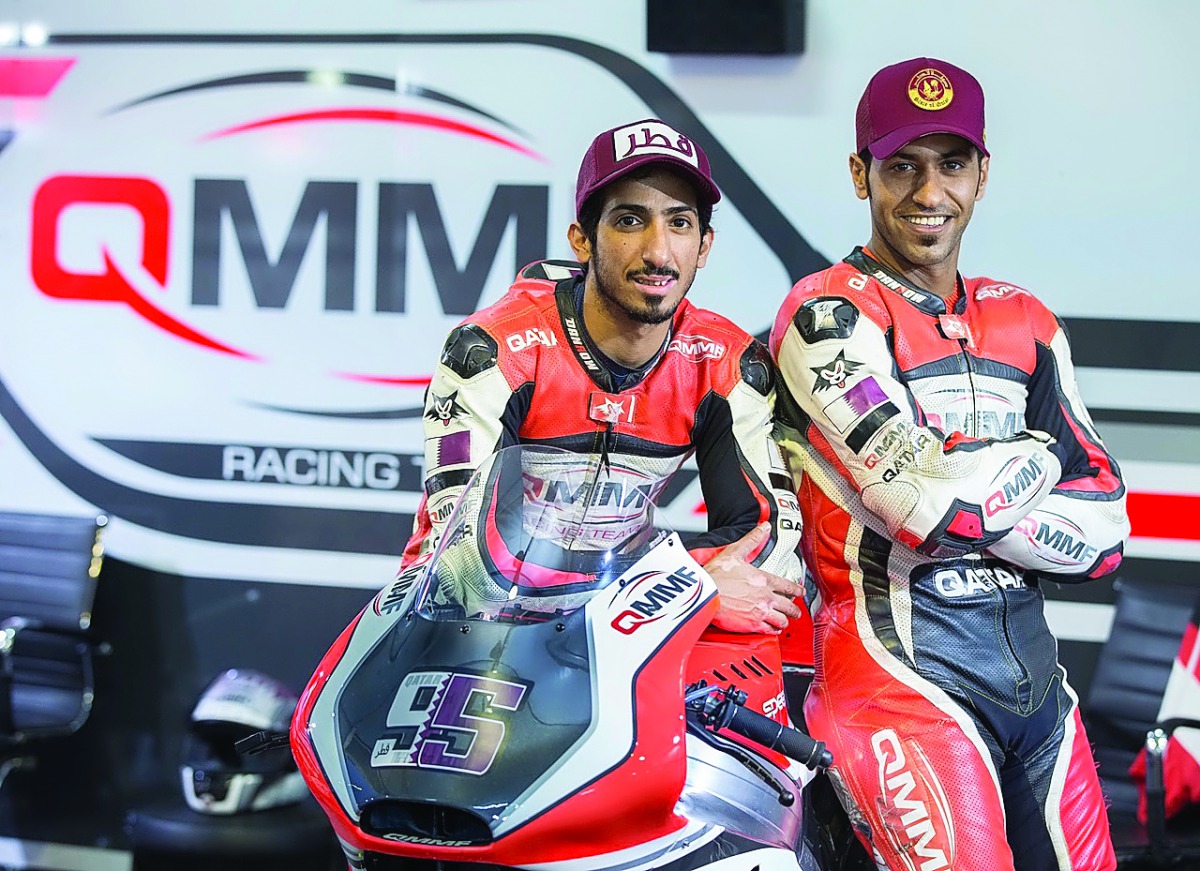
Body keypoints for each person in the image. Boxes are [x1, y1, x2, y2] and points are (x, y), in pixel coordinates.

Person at [769, 58, 1129, 870]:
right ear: (860, 172)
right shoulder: (824, 313)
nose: (929, 192)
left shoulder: (1027, 319)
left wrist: (980, 481)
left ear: (983, 172)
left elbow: (1107, 525)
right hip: (894, 685)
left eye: (951, 164)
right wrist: (1036, 461)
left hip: (1039, 690)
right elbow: (925, 510)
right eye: (902, 166)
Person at [401, 117, 804, 637]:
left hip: (620, 635)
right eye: (630, 222)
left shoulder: (724, 363)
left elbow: (771, 555)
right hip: (458, 628)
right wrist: (687, 585)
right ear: (582, 240)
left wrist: (656, 589)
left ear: (704, 246)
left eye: (679, 224)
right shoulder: (491, 352)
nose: (658, 253)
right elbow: (467, 569)